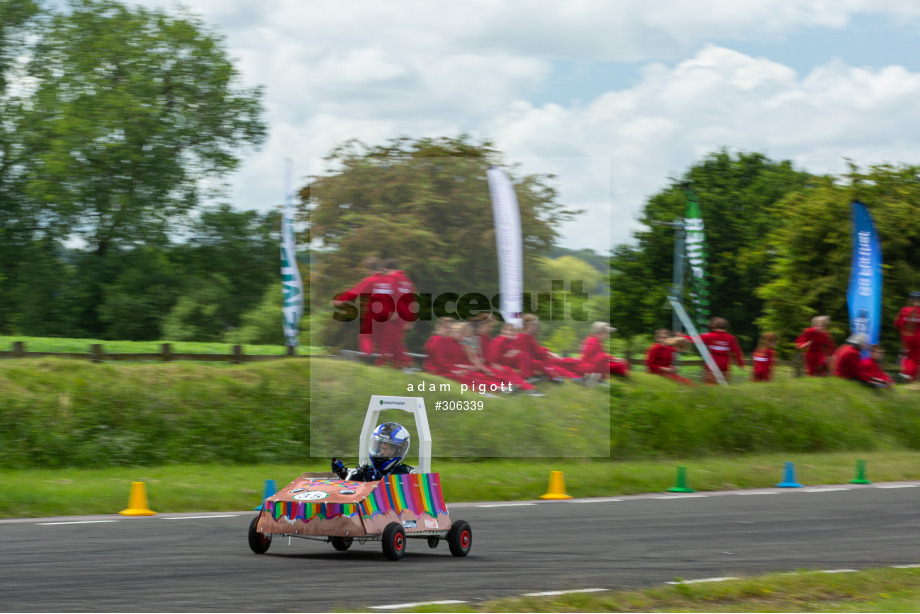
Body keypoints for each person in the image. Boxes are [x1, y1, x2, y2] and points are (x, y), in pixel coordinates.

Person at [332, 257, 394, 360]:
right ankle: (381, 361)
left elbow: (355, 291)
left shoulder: (370, 280)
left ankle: (367, 357)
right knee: (379, 339)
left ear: (368, 269)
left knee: (365, 336)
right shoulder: (389, 281)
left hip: (373, 313)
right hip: (387, 314)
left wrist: (341, 300)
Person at [331, 422, 413, 481]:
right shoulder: (372, 470)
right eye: (380, 448)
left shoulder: (404, 473)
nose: (382, 452)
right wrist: (342, 472)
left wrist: (376, 476)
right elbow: (356, 481)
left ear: (398, 451)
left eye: (386, 449)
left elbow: (393, 488)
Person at [383, 259, 417, 370]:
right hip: (404, 316)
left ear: (387, 269)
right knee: (396, 341)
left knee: (389, 341)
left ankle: (406, 364)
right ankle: (398, 366)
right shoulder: (407, 281)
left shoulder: (392, 278)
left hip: (395, 316)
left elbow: (392, 295)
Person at [699, 317, 745, 384]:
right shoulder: (731, 337)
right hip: (724, 365)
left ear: (712, 326)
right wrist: (741, 364)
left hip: (711, 364)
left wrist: (683, 336)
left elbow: (694, 339)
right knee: (723, 384)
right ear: (726, 327)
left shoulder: (709, 335)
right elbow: (737, 352)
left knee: (710, 384)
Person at [893, 291, 920, 382]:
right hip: (917, 339)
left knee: (906, 356)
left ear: (909, 300)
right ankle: (911, 379)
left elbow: (896, 323)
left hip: (905, 339)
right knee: (915, 359)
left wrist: (903, 332)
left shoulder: (904, 310)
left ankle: (904, 375)